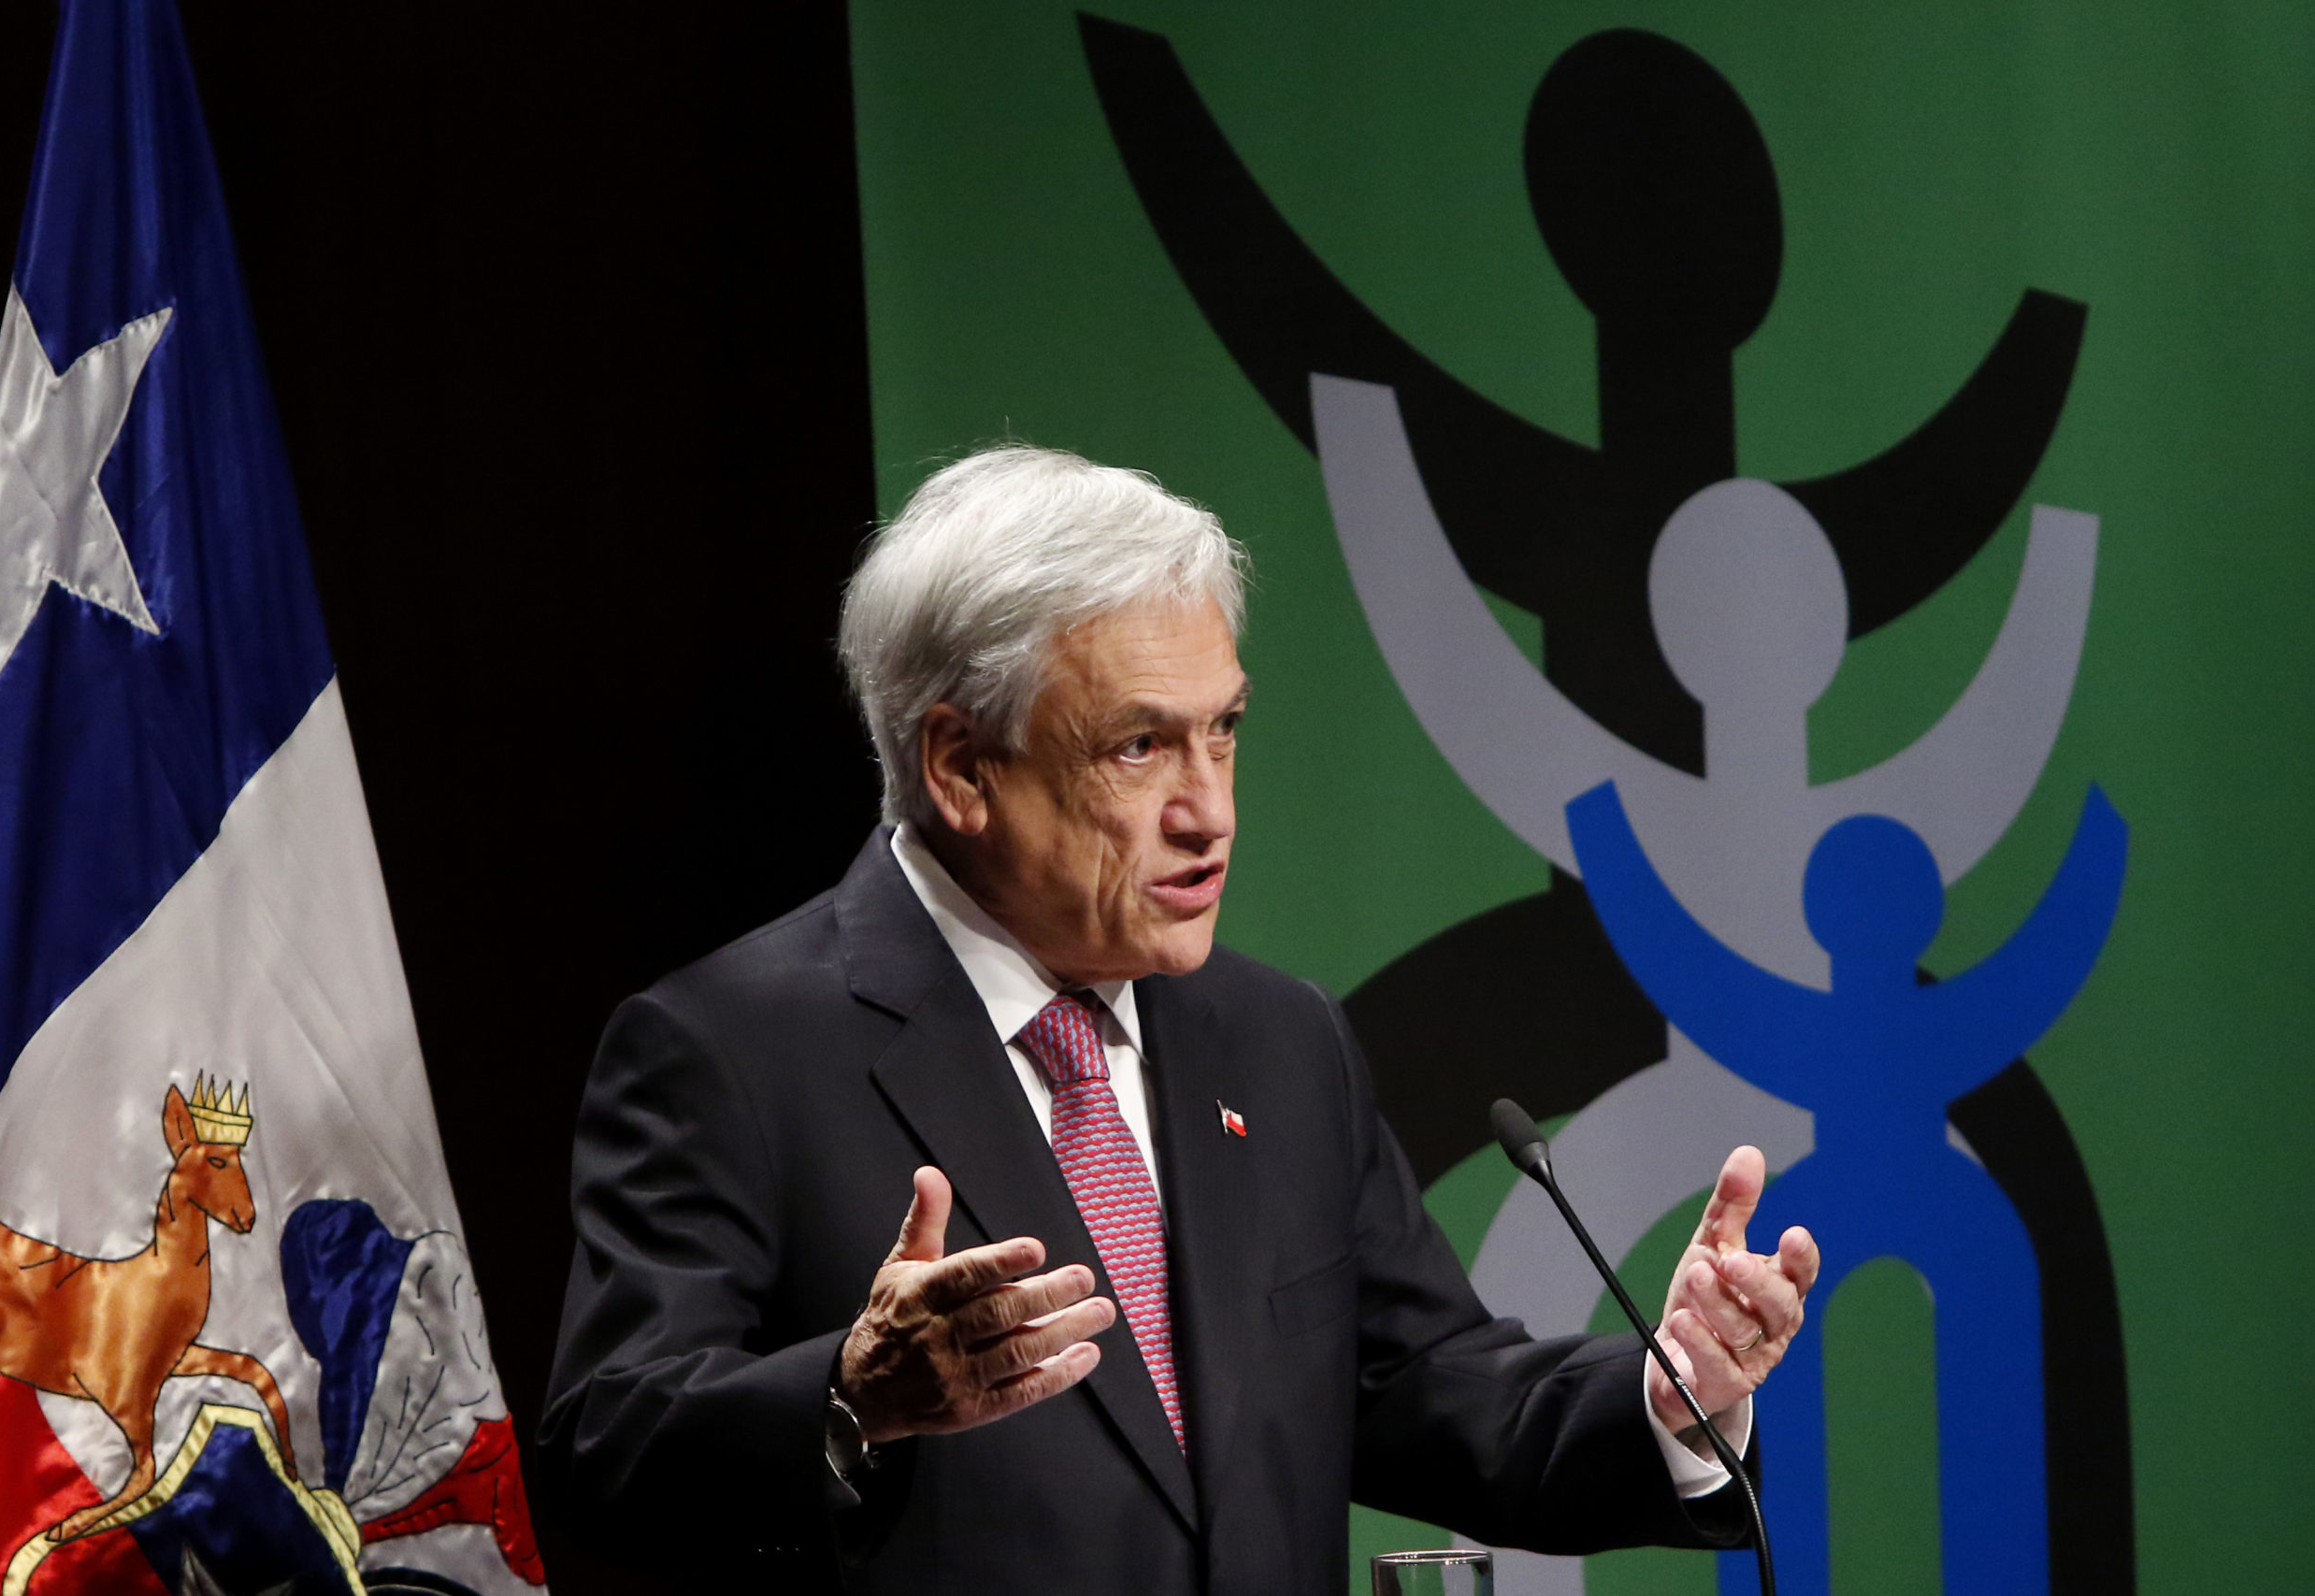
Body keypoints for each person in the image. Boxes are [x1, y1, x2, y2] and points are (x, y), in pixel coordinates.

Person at [539, 445, 1820, 1592]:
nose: (1211, 811)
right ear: (962, 767)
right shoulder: (731, 1049)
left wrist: (1669, 1396)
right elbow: (610, 1450)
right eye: (1138, 748)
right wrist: (850, 1399)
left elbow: (1418, 1381)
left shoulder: (1277, 1040)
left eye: (1225, 732)